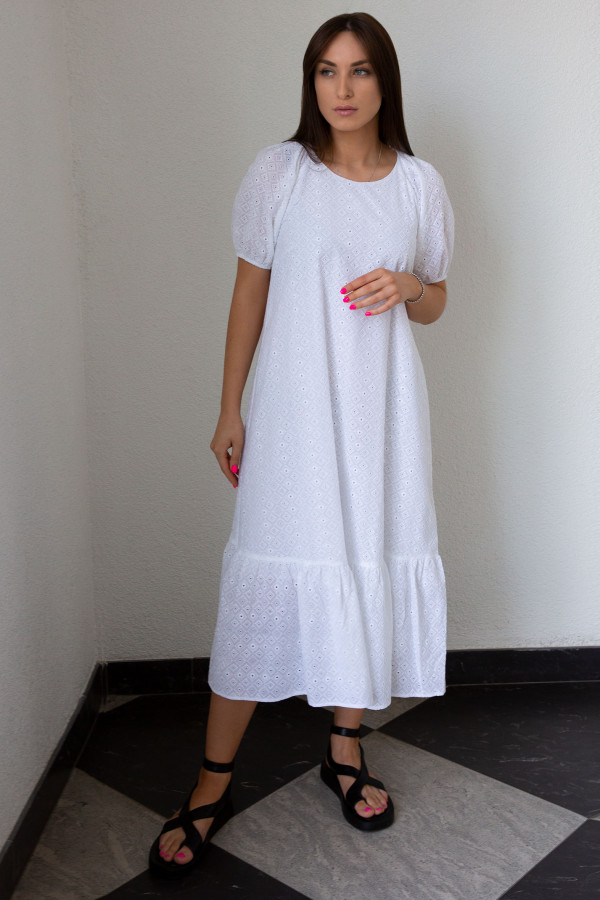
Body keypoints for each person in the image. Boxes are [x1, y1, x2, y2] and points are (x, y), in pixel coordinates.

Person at [148, 10, 454, 878]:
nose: (342, 89)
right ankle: (211, 784)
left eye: (359, 71)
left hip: (383, 415)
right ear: (310, 82)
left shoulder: (419, 185)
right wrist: (229, 408)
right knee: (268, 572)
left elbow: (437, 299)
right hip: (292, 414)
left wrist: (411, 285)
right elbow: (249, 291)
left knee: (366, 558)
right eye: (326, 71)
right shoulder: (279, 172)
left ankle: (344, 749)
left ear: (385, 81)